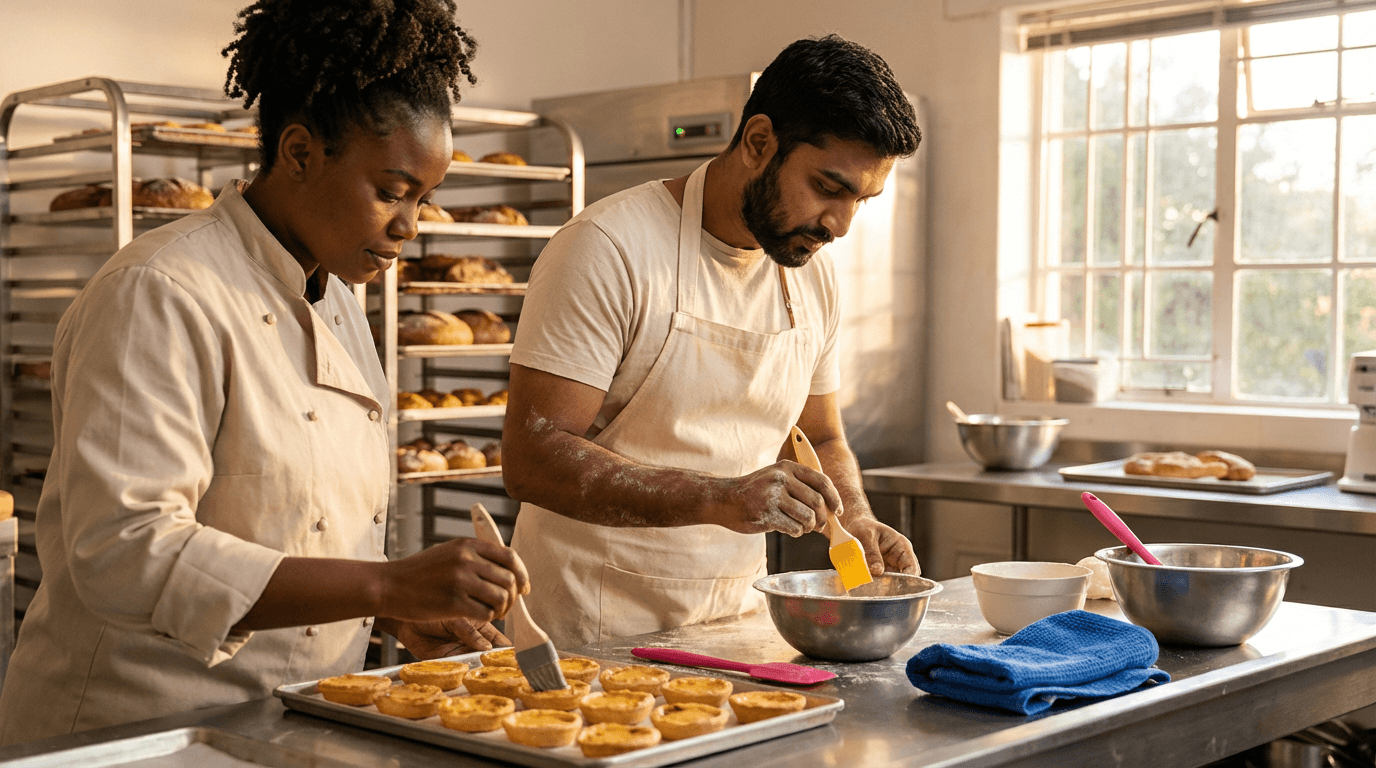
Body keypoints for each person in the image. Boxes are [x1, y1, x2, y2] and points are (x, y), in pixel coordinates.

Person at [0, 0, 529, 744]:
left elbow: (297, 525)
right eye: (391, 191)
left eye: (425, 199)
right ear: (301, 152)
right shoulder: (159, 292)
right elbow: (125, 550)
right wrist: (387, 582)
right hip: (132, 732)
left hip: (279, 721)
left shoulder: (341, 299)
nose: (411, 227)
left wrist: (396, 610)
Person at [503, 35, 923, 648]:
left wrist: (853, 515)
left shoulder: (811, 275)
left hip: (735, 621)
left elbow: (821, 435)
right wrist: (718, 498)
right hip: (588, 628)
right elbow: (534, 458)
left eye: (861, 200)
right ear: (758, 143)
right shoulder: (608, 248)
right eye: (829, 188)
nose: (840, 225)